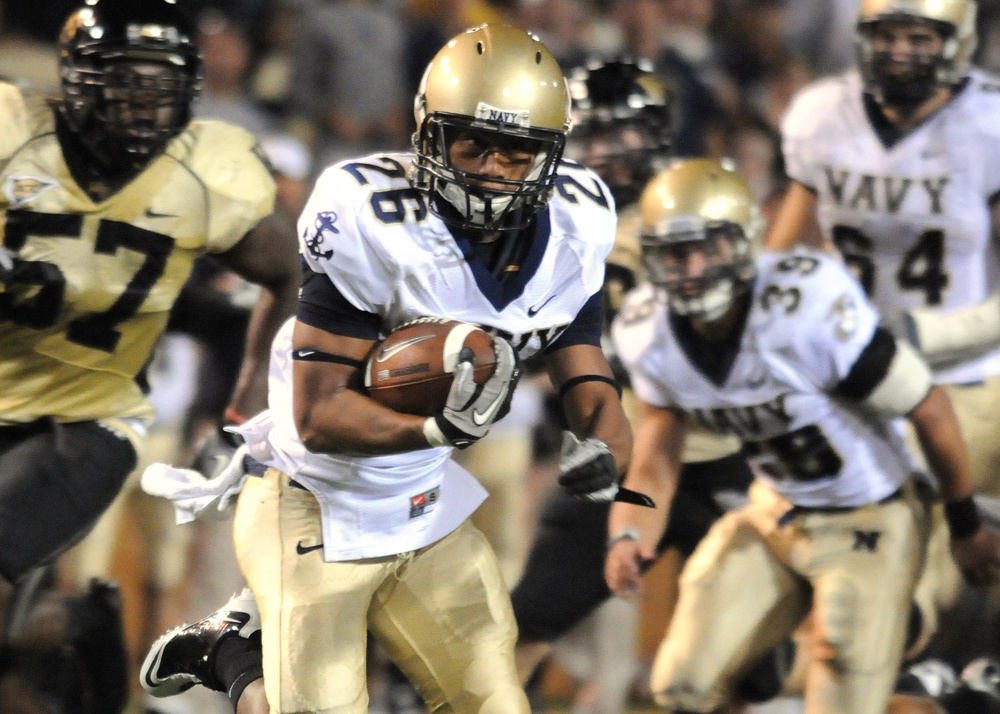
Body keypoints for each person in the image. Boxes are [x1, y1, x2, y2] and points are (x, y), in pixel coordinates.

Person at [142, 23, 635, 714]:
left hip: (422, 504)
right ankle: (227, 651)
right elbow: (316, 417)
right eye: (473, 144)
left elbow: (583, 359)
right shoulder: (370, 213)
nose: (494, 169)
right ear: (429, 136)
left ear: (550, 157)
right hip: (310, 496)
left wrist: (604, 438)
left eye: (517, 152)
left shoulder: (580, 219)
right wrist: (438, 429)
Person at [605, 158, 1000, 714]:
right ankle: (859, 650)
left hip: (871, 514)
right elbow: (656, 456)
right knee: (679, 686)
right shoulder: (648, 331)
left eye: (706, 249)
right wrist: (626, 533)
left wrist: (963, 524)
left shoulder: (804, 307)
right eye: (674, 253)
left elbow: (929, 408)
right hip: (775, 510)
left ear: (744, 243)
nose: (691, 268)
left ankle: (961, 700)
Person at [0, 0, 300, 710]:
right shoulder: (14, 130)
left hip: (87, 419)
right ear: (76, 77)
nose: (143, 102)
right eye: (125, 81)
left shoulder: (207, 169)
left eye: (159, 85)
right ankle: (77, 627)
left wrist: (256, 389)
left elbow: (287, 270)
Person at [509, 59, 757, 700]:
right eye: (592, 136)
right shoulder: (550, 221)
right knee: (530, 616)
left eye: (623, 136)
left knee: (755, 663)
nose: (607, 155)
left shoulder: (690, 212)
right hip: (621, 452)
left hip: (718, 451)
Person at [765, 0, 1000, 665]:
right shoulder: (821, 113)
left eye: (918, 36)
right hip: (860, 376)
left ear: (956, 41)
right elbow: (785, 255)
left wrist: (932, 334)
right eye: (886, 35)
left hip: (971, 372)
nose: (899, 51)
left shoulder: (989, 123)